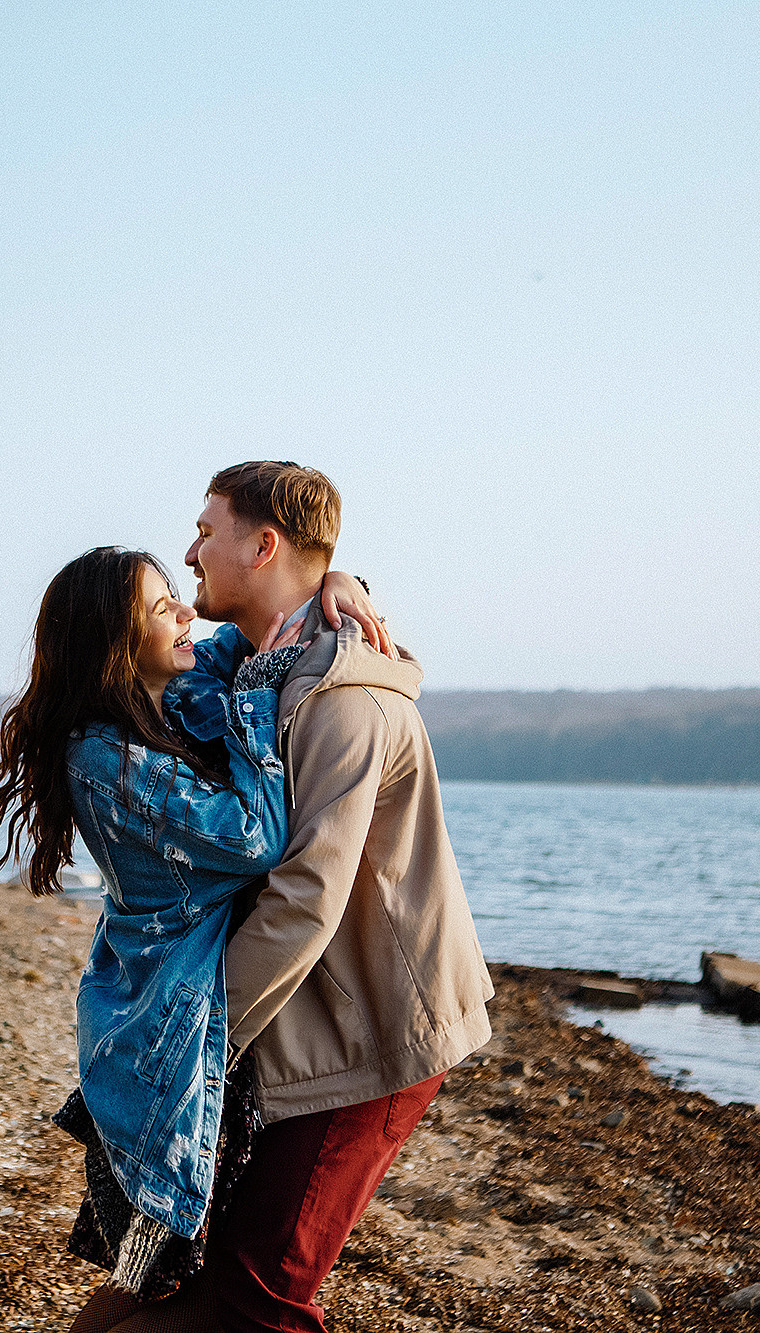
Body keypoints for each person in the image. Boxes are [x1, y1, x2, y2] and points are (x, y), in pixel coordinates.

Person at [0, 547, 383, 1333]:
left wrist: (334, 582)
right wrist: (256, 702)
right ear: (116, 643)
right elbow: (253, 836)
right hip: (164, 1039)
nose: (187, 612)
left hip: (183, 1017)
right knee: (143, 1278)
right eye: (162, 609)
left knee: (164, 1276)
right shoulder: (103, 756)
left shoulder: (169, 699)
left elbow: (249, 634)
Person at [112, 461, 494, 1333]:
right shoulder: (246, 666)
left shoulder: (341, 701)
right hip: (294, 1017)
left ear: (264, 544)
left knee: (256, 1302)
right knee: (170, 1273)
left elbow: (304, 902)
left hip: (375, 1029)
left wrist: (195, 1048)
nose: (190, 549)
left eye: (206, 530)